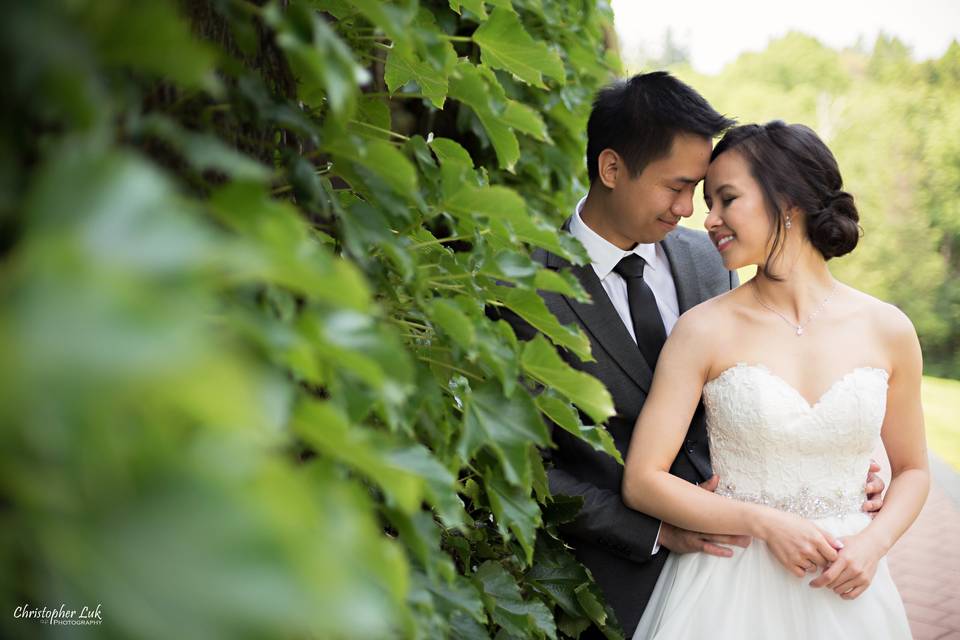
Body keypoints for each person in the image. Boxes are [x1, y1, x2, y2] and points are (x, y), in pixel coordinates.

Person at [494, 73, 885, 638]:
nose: (689, 209)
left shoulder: (711, 260)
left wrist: (832, 460)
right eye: (675, 187)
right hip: (608, 579)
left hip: (759, 573)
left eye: (702, 190)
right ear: (611, 169)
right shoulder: (525, 291)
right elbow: (524, 466)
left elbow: (764, 373)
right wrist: (653, 529)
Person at [623, 121, 929, 639]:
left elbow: (915, 470)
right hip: (727, 589)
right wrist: (762, 521)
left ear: (787, 200)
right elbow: (642, 480)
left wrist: (874, 545)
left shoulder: (888, 328)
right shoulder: (702, 329)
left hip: (847, 584)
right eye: (708, 201)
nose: (708, 218)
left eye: (726, 199)